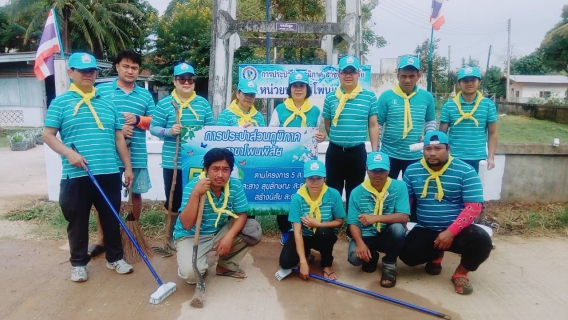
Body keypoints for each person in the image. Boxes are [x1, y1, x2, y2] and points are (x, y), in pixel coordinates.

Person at [43, 52, 134, 282]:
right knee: (78, 220)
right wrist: (69, 153)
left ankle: (115, 258)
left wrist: (128, 167)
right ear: (70, 72)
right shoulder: (60, 102)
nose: (88, 75)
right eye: (83, 71)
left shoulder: (108, 103)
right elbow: (48, 135)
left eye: (92, 71)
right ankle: (78, 263)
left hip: (109, 172)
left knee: (111, 217)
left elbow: (119, 138)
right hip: (77, 173)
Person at [399, 131, 492, 295]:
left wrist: (450, 232)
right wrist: (402, 223)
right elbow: (406, 200)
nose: (432, 153)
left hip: (458, 230)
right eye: (428, 148)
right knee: (408, 255)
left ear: (448, 149)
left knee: (482, 241)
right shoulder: (412, 170)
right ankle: (436, 255)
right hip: (426, 227)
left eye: (438, 148)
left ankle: (461, 273)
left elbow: (474, 206)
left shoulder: (466, 171)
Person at [88, 49, 155, 257]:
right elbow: (93, 118)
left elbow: (154, 122)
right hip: (108, 155)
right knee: (106, 197)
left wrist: (136, 120)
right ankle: (103, 238)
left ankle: (129, 235)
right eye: (126, 66)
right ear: (117, 67)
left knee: (135, 193)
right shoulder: (101, 91)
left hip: (137, 154)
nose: (130, 71)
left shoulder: (145, 94)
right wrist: (118, 128)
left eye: (134, 67)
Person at [150, 62, 215, 248]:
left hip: (197, 162)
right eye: (182, 79)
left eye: (189, 79)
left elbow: (210, 129)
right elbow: (153, 128)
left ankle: (196, 233)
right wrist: (169, 131)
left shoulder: (203, 104)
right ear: (174, 81)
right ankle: (172, 235)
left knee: (197, 196)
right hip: (173, 162)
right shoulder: (164, 104)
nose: (186, 82)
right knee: (174, 199)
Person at [174, 148, 257, 283]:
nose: (220, 174)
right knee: (191, 276)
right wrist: (196, 194)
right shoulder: (193, 186)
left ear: (231, 171)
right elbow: (187, 224)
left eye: (225, 169)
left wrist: (229, 236)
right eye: (215, 169)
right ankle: (200, 259)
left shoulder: (235, 185)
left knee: (253, 229)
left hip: (218, 232)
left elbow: (241, 215)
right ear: (206, 169)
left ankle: (225, 266)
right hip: (191, 236)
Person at [269, 71, 325, 245]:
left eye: (302, 86)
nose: (298, 89)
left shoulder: (315, 111)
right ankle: (285, 231)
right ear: (290, 89)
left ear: (307, 89)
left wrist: (319, 137)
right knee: (284, 194)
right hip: (284, 161)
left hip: (307, 163)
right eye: (295, 86)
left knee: (304, 194)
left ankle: (303, 229)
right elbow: (271, 133)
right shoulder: (279, 109)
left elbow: (317, 132)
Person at [322, 55, 379, 216]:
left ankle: (352, 228)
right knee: (333, 191)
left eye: (352, 72)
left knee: (355, 192)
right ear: (338, 74)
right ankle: (331, 226)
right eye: (344, 72)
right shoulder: (330, 97)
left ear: (358, 74)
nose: (348, 75)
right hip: (335, 152)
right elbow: (328, 124)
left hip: (357, 153)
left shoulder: (369, 96)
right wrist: (339, 139)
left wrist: (374, 153)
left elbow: (373, 125)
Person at [347, 152, 409, 288]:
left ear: (389, 170)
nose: (378, 174)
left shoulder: (399, 187)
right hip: (366, 235)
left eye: (382, 170)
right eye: (374, 170)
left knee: (398, 229)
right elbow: (352, 222)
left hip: (388, 234)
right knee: (354, 258)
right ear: (366, 170)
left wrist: (375, 218)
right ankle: (372, 255)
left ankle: (389, 265)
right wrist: (360, 243)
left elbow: (404, 216)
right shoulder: (357, 192)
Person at [278, 160, 346, 280]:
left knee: (324, 231)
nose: (315, 182)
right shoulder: (297, 198)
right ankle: (307, 255)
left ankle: (326, 264)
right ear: (305, 179)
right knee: (285, 262)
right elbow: (297, 233)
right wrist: (303, 262)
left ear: (325, 178)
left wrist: (319, 224)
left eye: (319, 178)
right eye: (311, 178)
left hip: (323, 236)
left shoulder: (333, 194)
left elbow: (339, 222)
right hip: (304, 235)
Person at [377, 55, 437, 179]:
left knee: (413, 194)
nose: (407, 80)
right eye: (403, 76)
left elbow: (430, 121)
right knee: (387, 192)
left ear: (418, 76)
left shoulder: (427, 97)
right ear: (398, 75)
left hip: (415, 156)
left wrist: (428, 135)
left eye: (412, 76)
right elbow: (378, 124)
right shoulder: (386, 96)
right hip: (389, 154)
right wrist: (377, 150)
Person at [439, 66, 498, 173]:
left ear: (479, 82)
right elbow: (442, 134)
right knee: (453, 189)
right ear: (459, 83)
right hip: (454, 157)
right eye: (465, 80)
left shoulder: (488, 105)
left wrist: (491, 157)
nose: (469, 83)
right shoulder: (449, 105)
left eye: (473, 80)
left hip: (478, 158)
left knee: (474, 189)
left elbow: (493, 133)